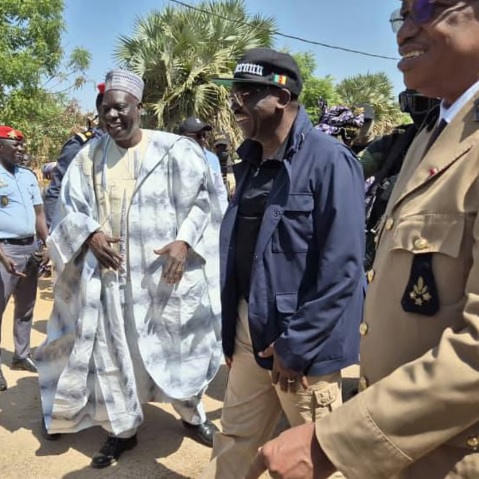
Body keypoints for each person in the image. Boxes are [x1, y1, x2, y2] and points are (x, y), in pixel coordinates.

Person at [246, 1, 479, 478]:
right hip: (408, 449)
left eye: (426, 8)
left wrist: (334, 440)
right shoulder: (430, 136)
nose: (404, 29)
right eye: (400, 15)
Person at [35, 69, 223, 468]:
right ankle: (122, 429)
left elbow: (205, 202)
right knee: (120, 355)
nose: (112, 116)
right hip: (112, 279)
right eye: (105, 109)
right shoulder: (89, 157)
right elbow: (70, 210)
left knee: (176, 348)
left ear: (140, 106)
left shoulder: (176, 151)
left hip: (164, 279)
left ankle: (193, 416)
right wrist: (90, 235)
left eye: (121, 107)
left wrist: (184, 241)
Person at [202, 48, 365, 479]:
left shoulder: (330, 161)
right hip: (249, 332)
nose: (234, 103)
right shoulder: (252, 163)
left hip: (303, 347)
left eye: (245, 93)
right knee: (235, 438)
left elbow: (343, 268)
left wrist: (296, 346)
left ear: (281, 96)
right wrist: (233, 335)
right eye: (233, 92)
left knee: (314, 460)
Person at [363, 89, 440, 270]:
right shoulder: (397, 141)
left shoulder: (462, 144)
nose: (412, 111)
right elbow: (354, 169)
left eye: (419, 104)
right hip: (379, 243)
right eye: (407, 103)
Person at [0, 126, 49, 391]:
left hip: (31, 249)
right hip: (4, 251)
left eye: (21, 145)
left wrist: (48, 244)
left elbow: (39, 214)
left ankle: (21, 354)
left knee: (26, 307)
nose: (20, 149)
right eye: (14, 145)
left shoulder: (28, 176)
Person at [43, 83, 106, 227]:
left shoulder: (128, 145)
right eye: (110, 107)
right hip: (85, 225)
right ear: (101, 109)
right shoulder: (81, 144)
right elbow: (56, 190)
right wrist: (54, 234)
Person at [178, 117, 228, 212]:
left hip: (210, 221)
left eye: (205, 135)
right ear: (184, 137)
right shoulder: (174, 158)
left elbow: (219, 190)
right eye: (199, 136)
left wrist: (222, 216)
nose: (203, 139)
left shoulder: (212, 158)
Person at [212, 131, 236, 198]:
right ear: (214, 149)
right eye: (218, 147)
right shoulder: (210, 169)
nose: (222, 150)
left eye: (224, 146)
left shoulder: (238, 167)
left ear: (230, 146)